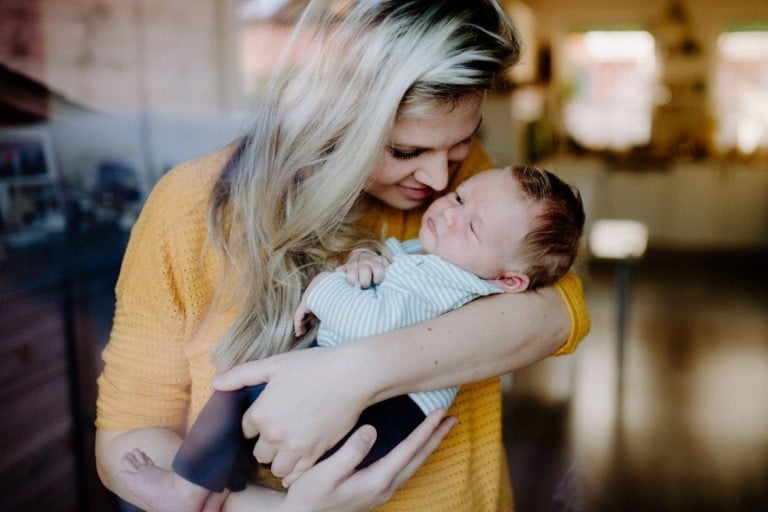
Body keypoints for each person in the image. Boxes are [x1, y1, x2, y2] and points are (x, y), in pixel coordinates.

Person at [94, 2, 591, 511]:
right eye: (403, 152)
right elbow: (126, 438)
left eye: (464, 141)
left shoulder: (465, 191)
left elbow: (561, 311)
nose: (441, 180)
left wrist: (354, 373)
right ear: (329, 113)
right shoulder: (189, 207)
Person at [116, 165, 585, 512]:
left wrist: (325, 288)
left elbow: (366, 326)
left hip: (385, 419)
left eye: (474, 226)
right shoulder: (453, 263)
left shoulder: (444, 281)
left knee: (236, 392)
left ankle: (188, 492)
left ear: (509, 282)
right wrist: (364, 257)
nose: (447, 207)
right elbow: (394, 264)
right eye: (461, 198)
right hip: (387, 415)